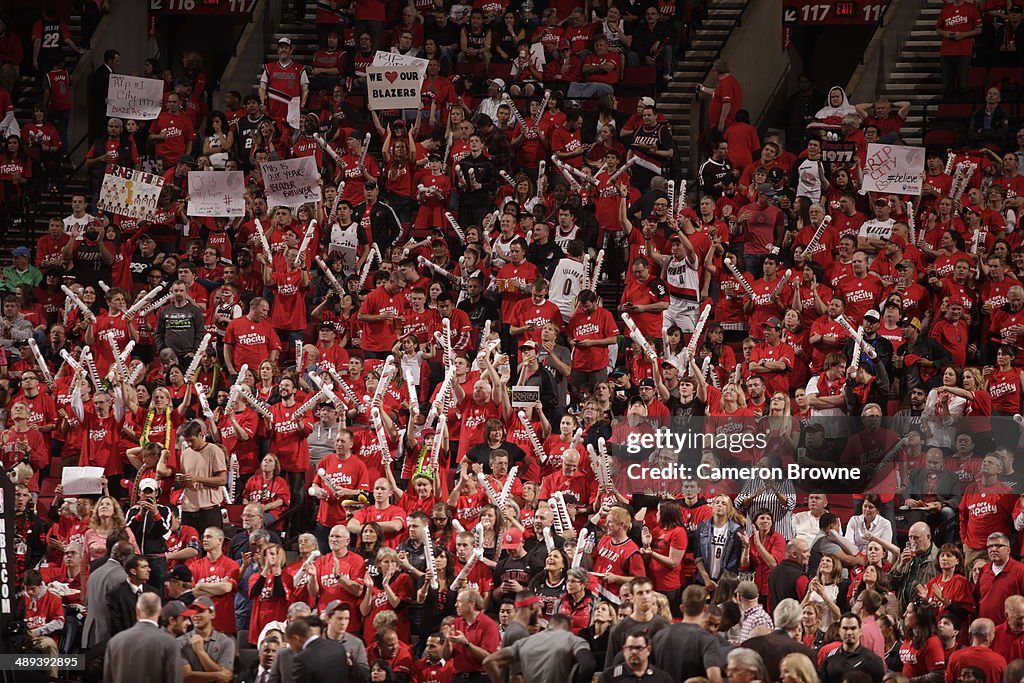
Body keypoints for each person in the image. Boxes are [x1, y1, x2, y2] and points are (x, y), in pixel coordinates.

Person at [483, 613, 595, 683]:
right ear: (568, 628)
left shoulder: (525, 641)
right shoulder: (573, 640)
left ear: (548, 625)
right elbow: (588, 665)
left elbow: (489, 661)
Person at [650, 585, 723, 683]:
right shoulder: (707, 640)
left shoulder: (659, 636)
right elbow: (714, 678)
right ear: (705, 608)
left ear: (682, 608)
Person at [104, 593, 182, 683]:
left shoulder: (114, 641)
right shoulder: (169, 642)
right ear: (160, 611)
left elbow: (108, 678)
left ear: (137, 611)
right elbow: (174, 679)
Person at [82, 539, 133, 648]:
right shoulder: (121, 575)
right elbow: (121, 609)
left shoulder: (94, 574)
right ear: (121, 556)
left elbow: (86, 602)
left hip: (89, 633)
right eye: (130, 555)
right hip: (108, 634)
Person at [819, 613, 886, 683]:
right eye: (845, 628)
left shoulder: (873, 661)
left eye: (853, 628)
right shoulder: (830, 658)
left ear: (860, 631)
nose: (849, 632)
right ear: (839, 631)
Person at [285, 616, 350, 683]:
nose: (291, 648)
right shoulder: (338, 647)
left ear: (296, 638)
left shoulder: (302, 659)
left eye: (290, 643)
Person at [597, 631, 673, 683]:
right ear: (624, 650)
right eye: (630, 648)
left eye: (639, 648)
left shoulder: (662, 679)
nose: (634, 652)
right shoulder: (609, 677)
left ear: (648, 650)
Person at [946, 618, 1007, 683]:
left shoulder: (955, 657)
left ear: (971, 634)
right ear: (987, 636)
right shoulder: (999, 661)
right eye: (993, 633)